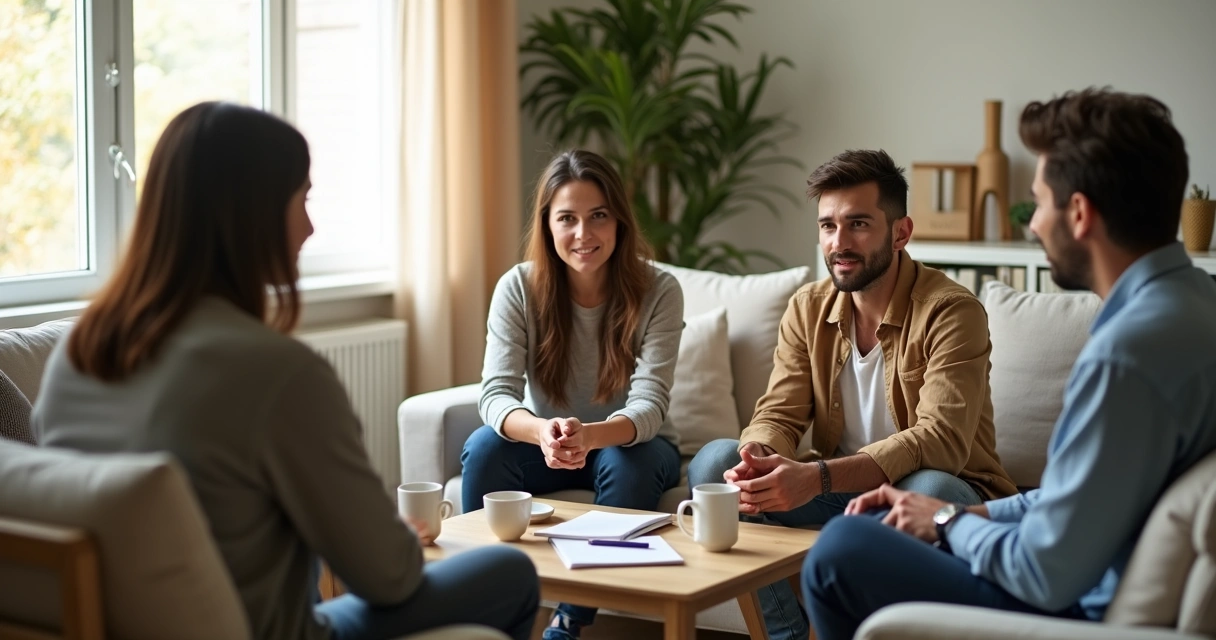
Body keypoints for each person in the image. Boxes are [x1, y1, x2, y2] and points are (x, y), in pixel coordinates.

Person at [31, 102, 539, 640]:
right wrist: (391, 547)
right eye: (302, 198)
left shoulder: (77, 354)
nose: (309, 226)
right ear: (250, 214)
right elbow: (387, 577)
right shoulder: (278, 374)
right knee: (508, 572)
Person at [802, 88, 1216, 639]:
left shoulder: (1125, 356)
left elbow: (1044, 571)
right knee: (885, 520)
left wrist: (946, 521)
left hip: (1071, 606)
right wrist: (974, 517)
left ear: (1079, 213)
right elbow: (1082, 493)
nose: (1036, 223)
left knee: (842, 549)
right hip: (1079, 566)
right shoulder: (1197, 300)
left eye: (1039, 201)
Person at [686, 148, 1018, 640]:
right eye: (827, 226)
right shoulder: (808, 308)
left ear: (900, 233)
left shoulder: (951, 311)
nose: (839, 243)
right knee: (715, 463)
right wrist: (759, 456)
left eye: (858, 224)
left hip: (922, 491)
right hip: (834, 492)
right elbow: (780, 410)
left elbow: (941, 441)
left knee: (933, 489)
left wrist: (816, 477)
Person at [461, 149, 684, 640]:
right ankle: (483, 611)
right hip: (551, 444)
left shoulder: (660, 289)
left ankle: (568, 621)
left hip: (633, 444)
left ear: (619, 222)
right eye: (568, 219)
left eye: (598, 217)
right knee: (483, 446)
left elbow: (650, 405)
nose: (584, 235)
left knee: (632, 464)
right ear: (548, 225)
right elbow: (495, 395)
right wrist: (544, 431)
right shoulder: (518, 288)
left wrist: (590, 435)